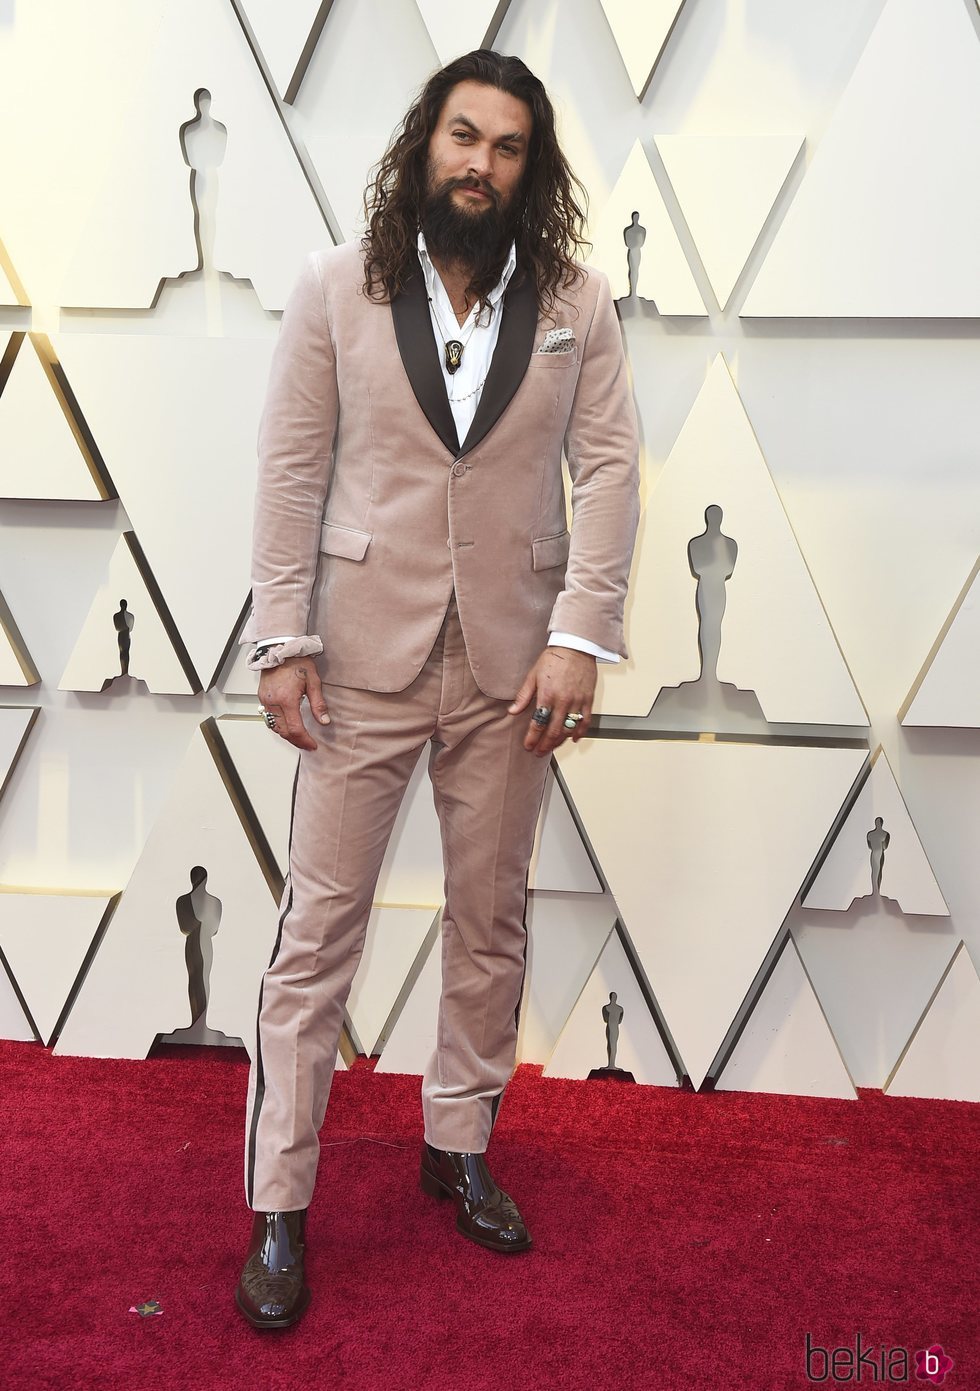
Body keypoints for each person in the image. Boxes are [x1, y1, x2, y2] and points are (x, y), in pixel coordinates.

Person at [234, 48, 640, 1330]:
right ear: (425, 146)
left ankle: (456, 1144)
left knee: (489, 917)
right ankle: (280, 1205)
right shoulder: (335, 289)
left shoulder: (577, 295)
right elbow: (292, 473)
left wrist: (580, 635)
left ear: (532, 169)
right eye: (461, 137)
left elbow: (611, 470)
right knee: (316, 939)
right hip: (358, 657)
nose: (479, 163)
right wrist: (279, 638)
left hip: (513, 663)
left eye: (507, 145)